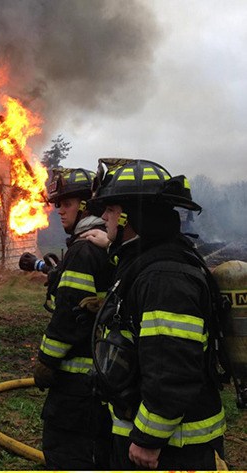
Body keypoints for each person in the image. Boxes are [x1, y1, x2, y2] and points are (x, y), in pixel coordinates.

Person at [89, 158, 226, 470]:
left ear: (129, 216)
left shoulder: (164, 277)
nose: (104, 218)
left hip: (173, 449)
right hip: (159, 437)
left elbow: (172, 367)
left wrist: (149, 438)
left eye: (110, 209)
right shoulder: (148, 262)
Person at [19, 167, 114, 469]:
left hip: (78, 384)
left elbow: (68, 317)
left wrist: (46, 361)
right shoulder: (107, 244)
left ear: (86, 205)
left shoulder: (84, 250)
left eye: (67, 203)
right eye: (57, 204)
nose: (59, 210)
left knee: (67, 452)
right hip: (108, 375)